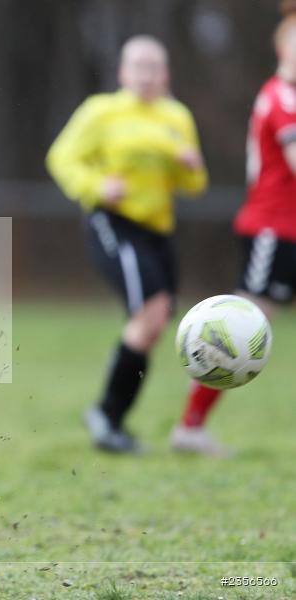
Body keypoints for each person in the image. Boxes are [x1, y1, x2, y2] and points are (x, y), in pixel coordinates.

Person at [46, 35, 208, 454]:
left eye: (154, 66)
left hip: (158, 230)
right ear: (122, 72)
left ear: (165, 74)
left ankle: (110, 418)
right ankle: (107, 415)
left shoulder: (177, 117)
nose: (146, 74)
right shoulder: (102, 112)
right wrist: (97, 185)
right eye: (138, 66)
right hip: (114, 222)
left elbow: (193, 185)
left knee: (154, 323)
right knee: (150, 313)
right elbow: (61, 158)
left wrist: (190, 167)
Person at [170, 14, 296, 457]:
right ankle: (190, 426)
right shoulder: (280, 98)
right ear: (282, 49)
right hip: (274, 229)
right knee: (241, 328)